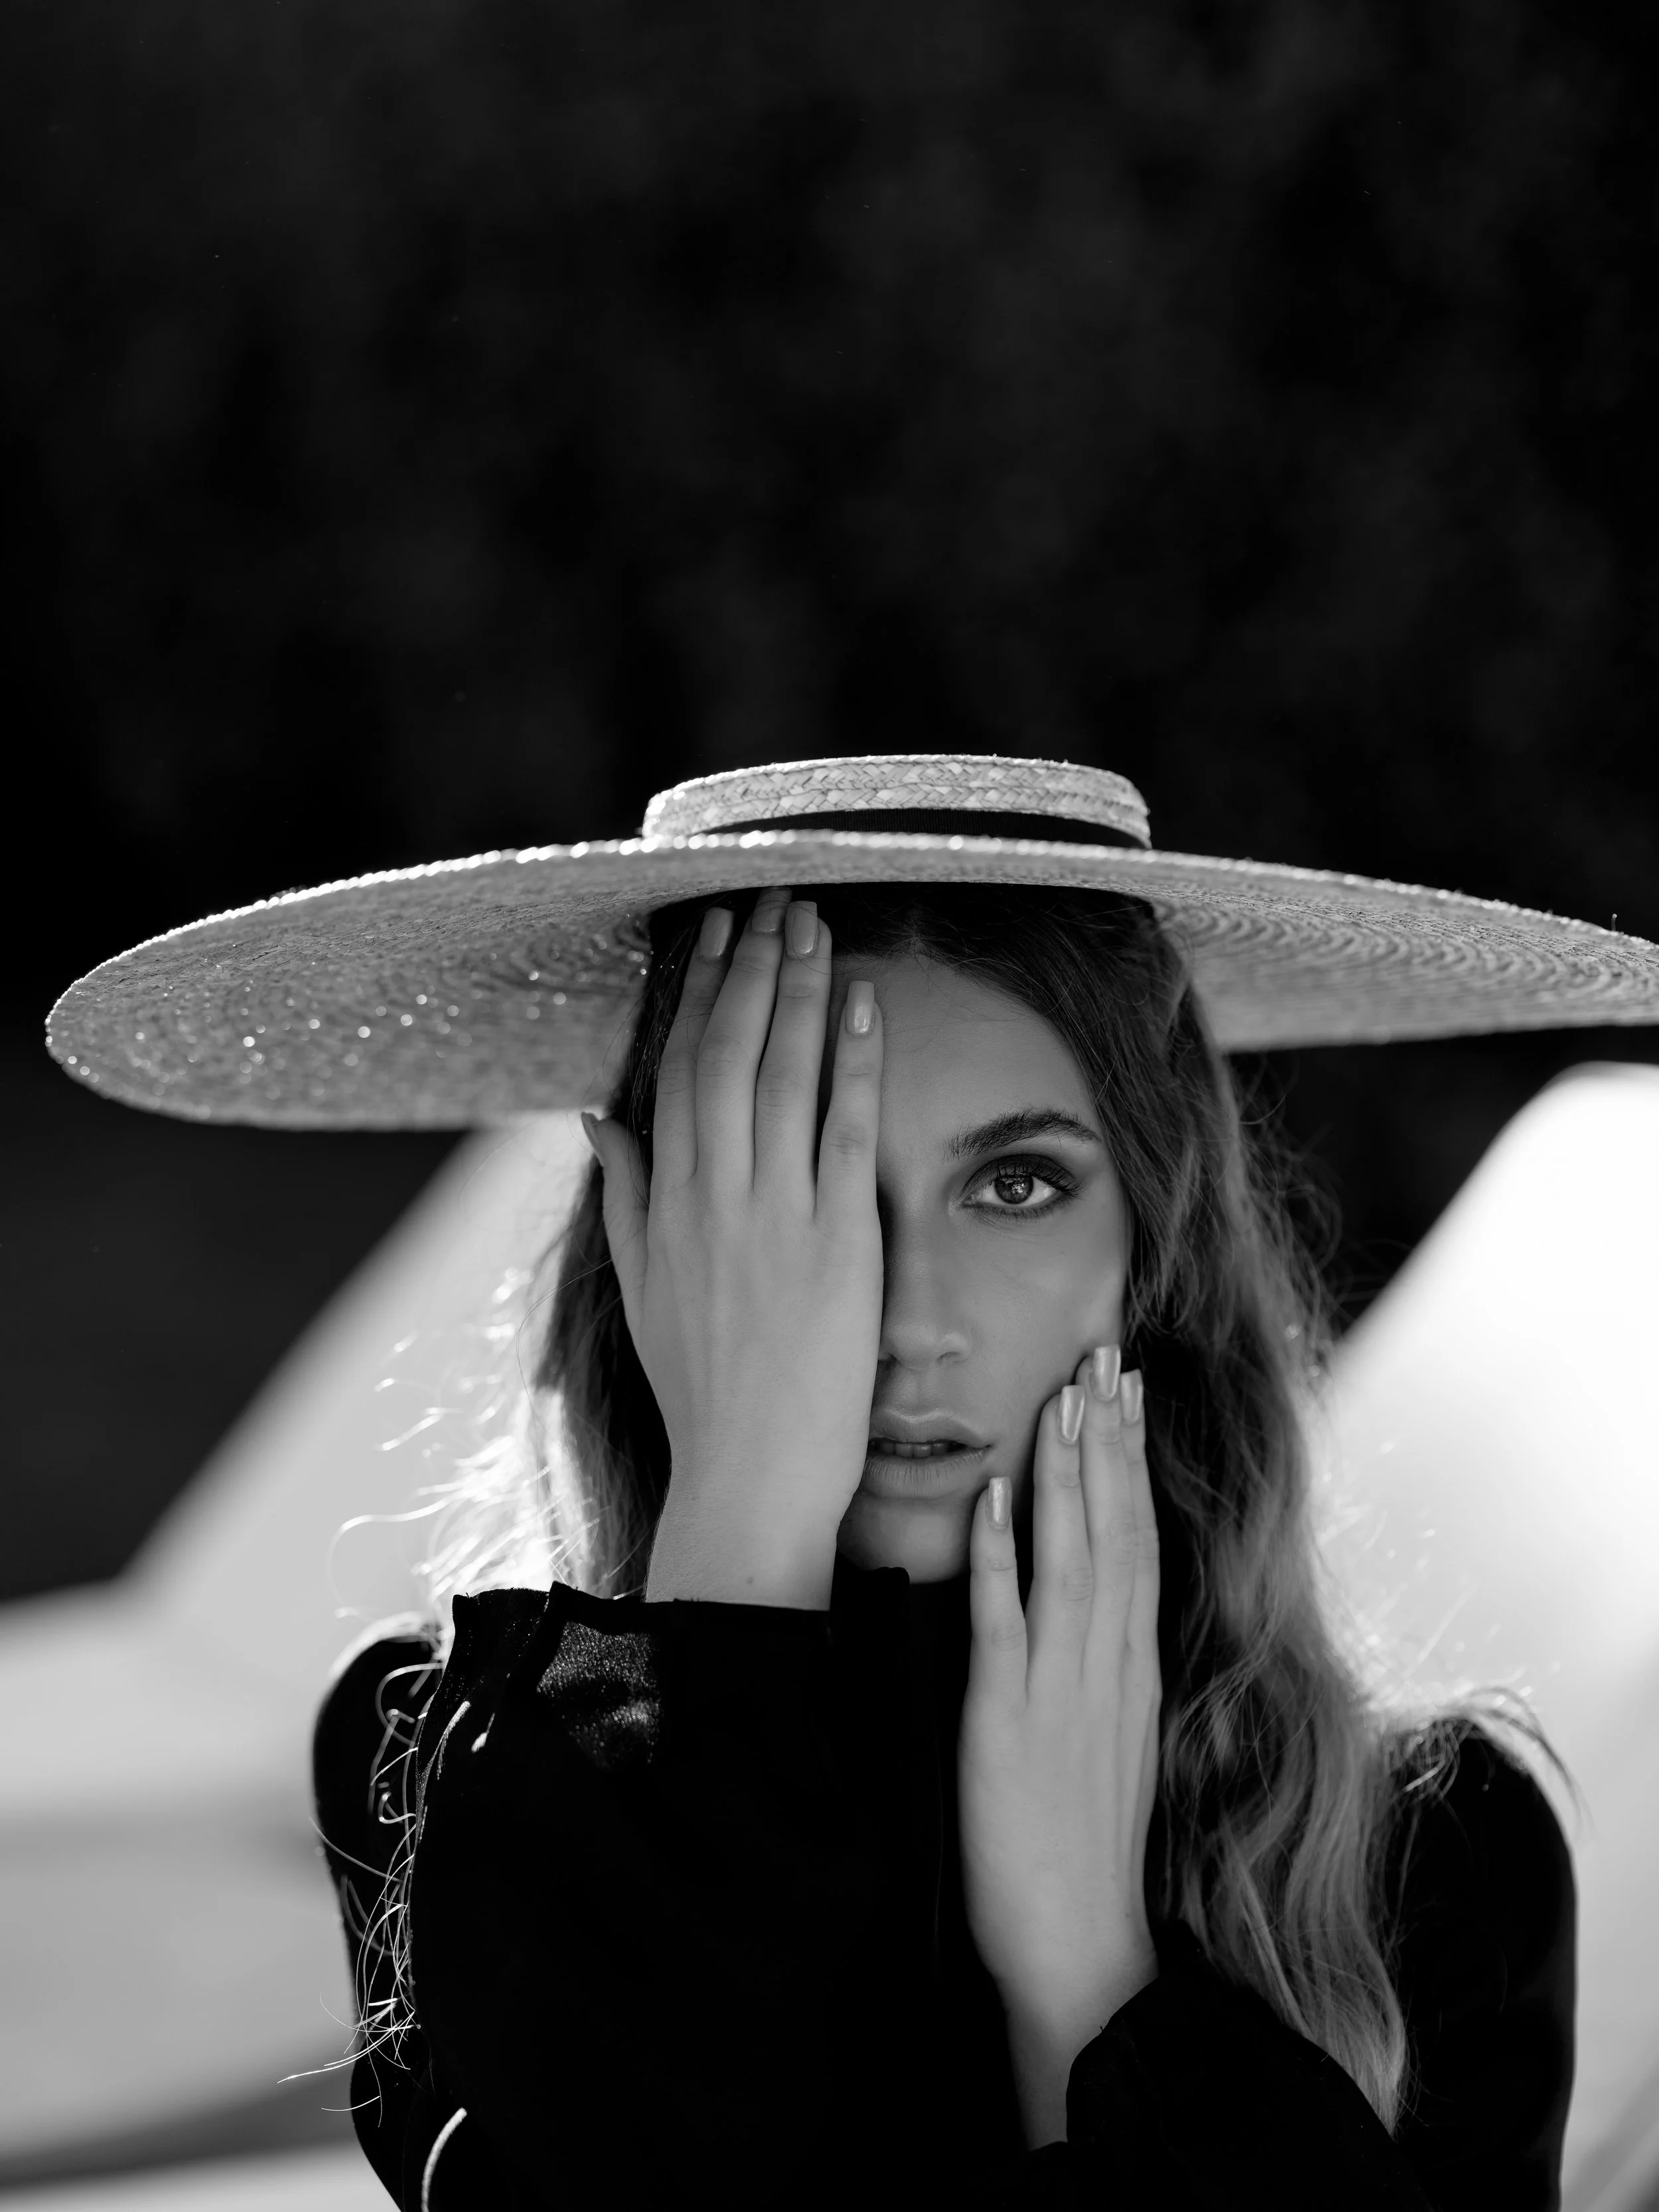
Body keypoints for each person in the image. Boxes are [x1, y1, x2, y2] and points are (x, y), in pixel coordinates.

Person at [52, 755, 1649, 2207]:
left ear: (1152, 1252)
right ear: (660, 1233)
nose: (904, 1318)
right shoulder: (455, 1763)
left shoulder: (1424, 1855)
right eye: (801, 1187)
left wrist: (1088, 1984)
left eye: (1014, 1183)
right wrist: (736, 1521)